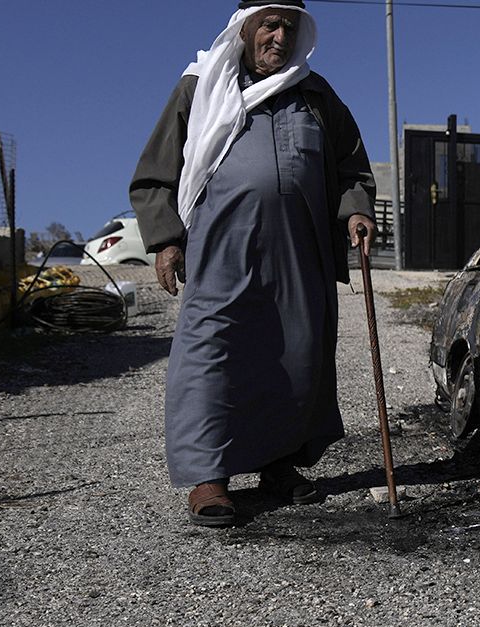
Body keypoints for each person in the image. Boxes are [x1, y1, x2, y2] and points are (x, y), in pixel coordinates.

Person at [129, 0, 376, 527]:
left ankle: (279, 466)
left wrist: (355, 212)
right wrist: (166, 240)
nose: (279, 37)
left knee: (295, 351)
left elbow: (351, 166)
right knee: (211, 350)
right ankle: (208, 478)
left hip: (299, 247)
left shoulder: (315, 94)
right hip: (222, 245)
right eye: (269, 24)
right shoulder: (200, 87)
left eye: (289, 26)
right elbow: (156, 172)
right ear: (244, 29)